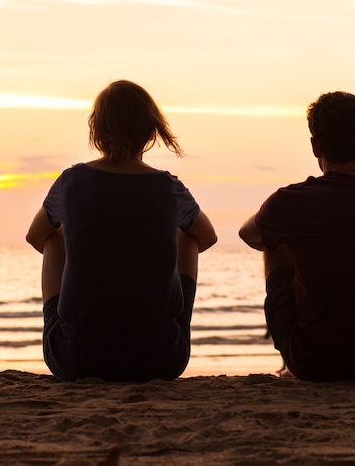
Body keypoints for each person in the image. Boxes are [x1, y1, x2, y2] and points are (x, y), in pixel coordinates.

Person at [26, 80, 217, 382]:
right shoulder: (168, 187)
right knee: (187, 237)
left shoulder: (72, 181)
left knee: (55, 236)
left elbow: (36, 236)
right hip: (160, 359)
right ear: (151, 133)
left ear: (96, 131)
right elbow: (207, 237)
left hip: (75, 359)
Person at [239, 91, 355, 383]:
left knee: (274, 240)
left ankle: (289, 361)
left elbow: (248, 234)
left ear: (316, 147)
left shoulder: (291, 201)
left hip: (318, 363)